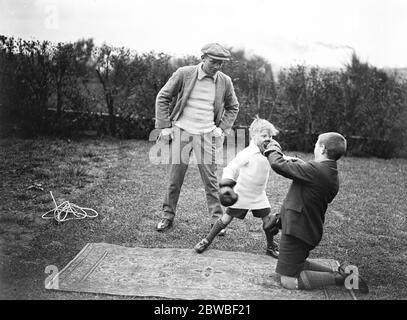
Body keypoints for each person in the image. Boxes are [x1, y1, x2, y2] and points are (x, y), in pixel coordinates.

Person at [260, 132, 369, 293]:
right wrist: (281, 217)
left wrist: (272, 147)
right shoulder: (329, 172)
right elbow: (308, 190)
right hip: (305, 228)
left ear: (323, 148)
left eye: (317, 143)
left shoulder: (316, 171)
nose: (315, 146)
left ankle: (342, 279)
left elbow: (278, 165)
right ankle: (344, 273)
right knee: (297, 264)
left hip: (298, 231)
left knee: (288, 280)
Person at [155, 43, 239, 233]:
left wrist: (221, 129)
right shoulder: (184, 73)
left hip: (207, 135)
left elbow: (233, 106)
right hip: (182, 132)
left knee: (210, 180)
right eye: (213, 62)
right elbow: (163, 97)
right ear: (203, 58)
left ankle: (217, 220)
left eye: (221, 63)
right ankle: (167, 217)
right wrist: (166, 126)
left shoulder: (225, 81)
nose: (217, 66)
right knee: (174, 179)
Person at [194, 117, 297, 257]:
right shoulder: (247, 153)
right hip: (241, 194)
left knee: (269, 221)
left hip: (259, 195)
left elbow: (282, 158)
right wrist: (226, 185)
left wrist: (293, 160)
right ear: (253, 135)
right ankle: (206, 240)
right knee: (225, 219)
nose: (268, 139)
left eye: (270, 136)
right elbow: (231, 167)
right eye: (264, 135)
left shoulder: (270, 152)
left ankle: (270, 247)